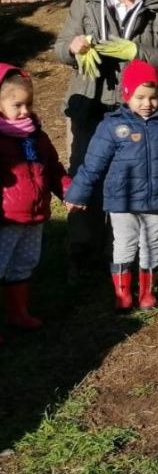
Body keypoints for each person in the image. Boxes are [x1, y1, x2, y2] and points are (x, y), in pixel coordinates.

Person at [53, 0, 158, 283]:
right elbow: (60, 48)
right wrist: (74, 48)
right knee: (87, 176)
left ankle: (129, 260)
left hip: (139, 109)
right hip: (91, 104)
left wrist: (138, 51)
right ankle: (82, 256)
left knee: (135, 178)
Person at [63, 61, 158, 311]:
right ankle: (122, 293)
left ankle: (147, 292)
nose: (147, 104)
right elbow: (93, 163)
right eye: (140, 97)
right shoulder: (112, 126)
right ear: (127, 95)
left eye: (154, 97)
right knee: (124, 244)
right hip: (121, 200)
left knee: (152, 244)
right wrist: (79, 193)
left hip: (157, 200)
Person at [0, 64, 70, 343]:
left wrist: (67, 190)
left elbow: (52, 167)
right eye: (16, 105)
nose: (25, 111)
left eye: (28, 104)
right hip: (6, 218)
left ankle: (18, 312)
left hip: (35, 215)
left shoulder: (35, 135)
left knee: (23, 263)